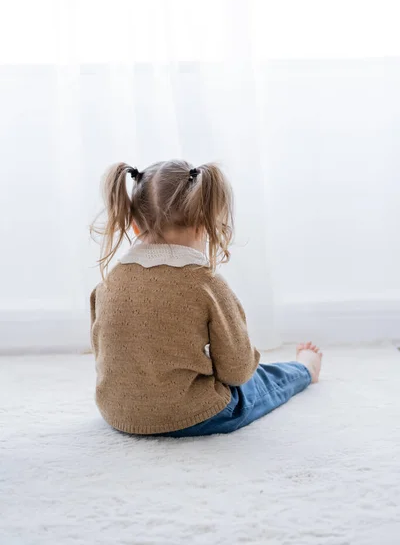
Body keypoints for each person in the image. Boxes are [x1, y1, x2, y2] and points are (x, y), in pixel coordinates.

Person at [90, 160, 322, 437]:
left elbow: (105, 354)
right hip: (192, 416)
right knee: (260, 381)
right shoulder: (206, 284)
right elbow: (237, 371)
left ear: (135, 225)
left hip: (117, 413)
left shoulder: (107, 282)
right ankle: (305, 369)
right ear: (205, 223)